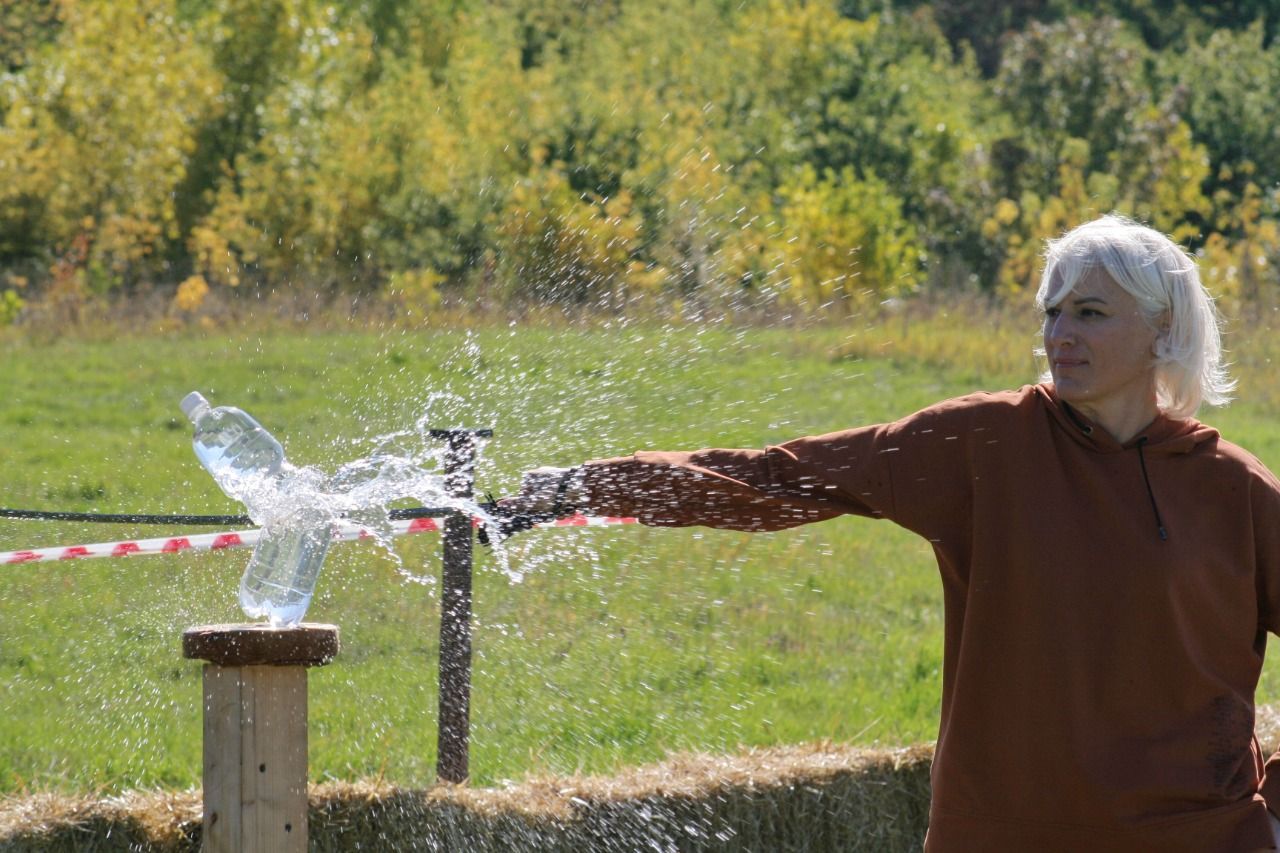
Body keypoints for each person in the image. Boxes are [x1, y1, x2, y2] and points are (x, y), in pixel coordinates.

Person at [495, 214, 1280, 851]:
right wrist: (584, 486)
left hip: (1201, 838)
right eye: (1052, 310)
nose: (1059, 333)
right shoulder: (984, 443)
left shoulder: (1233, 488)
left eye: (1091, 312)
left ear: (1162, 327)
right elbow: (781, 477)